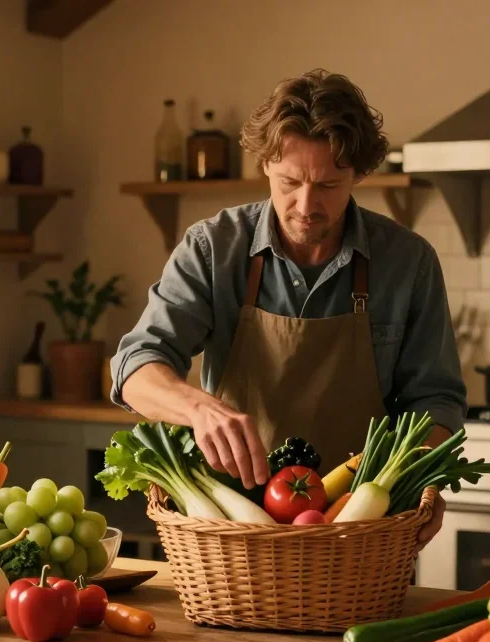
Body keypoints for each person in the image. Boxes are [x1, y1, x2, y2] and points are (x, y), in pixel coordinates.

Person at [111, 69, 467, 544]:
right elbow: (135, 365)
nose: (305, 205)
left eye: (328, 186)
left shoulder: (408, 261)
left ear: (358, 175)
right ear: (264, 166)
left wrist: (416, 480)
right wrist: (200, 410)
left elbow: (437, 401)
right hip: (234, 528)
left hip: (360, 525)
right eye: (290, 181)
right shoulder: (214, 248)